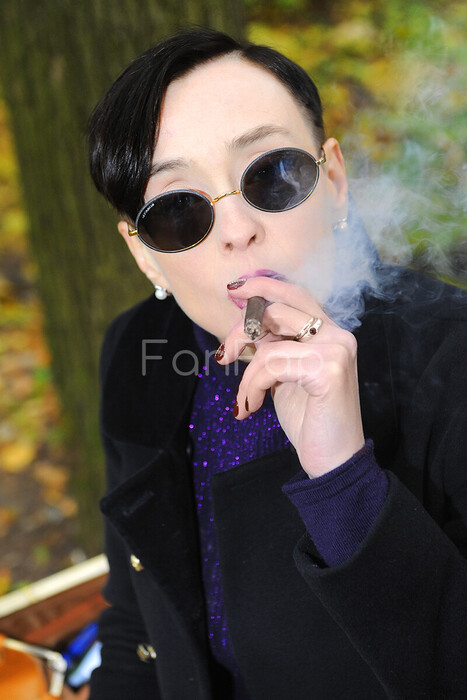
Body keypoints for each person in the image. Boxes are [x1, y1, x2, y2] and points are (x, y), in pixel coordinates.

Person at [87, 27, 467, 699]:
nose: (238, 231)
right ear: (145, 255)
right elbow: (136, 622)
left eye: (268, 175)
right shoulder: (138, 350)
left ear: (335, 182)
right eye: (178, 211)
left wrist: (343, 477)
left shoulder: (451, 357)